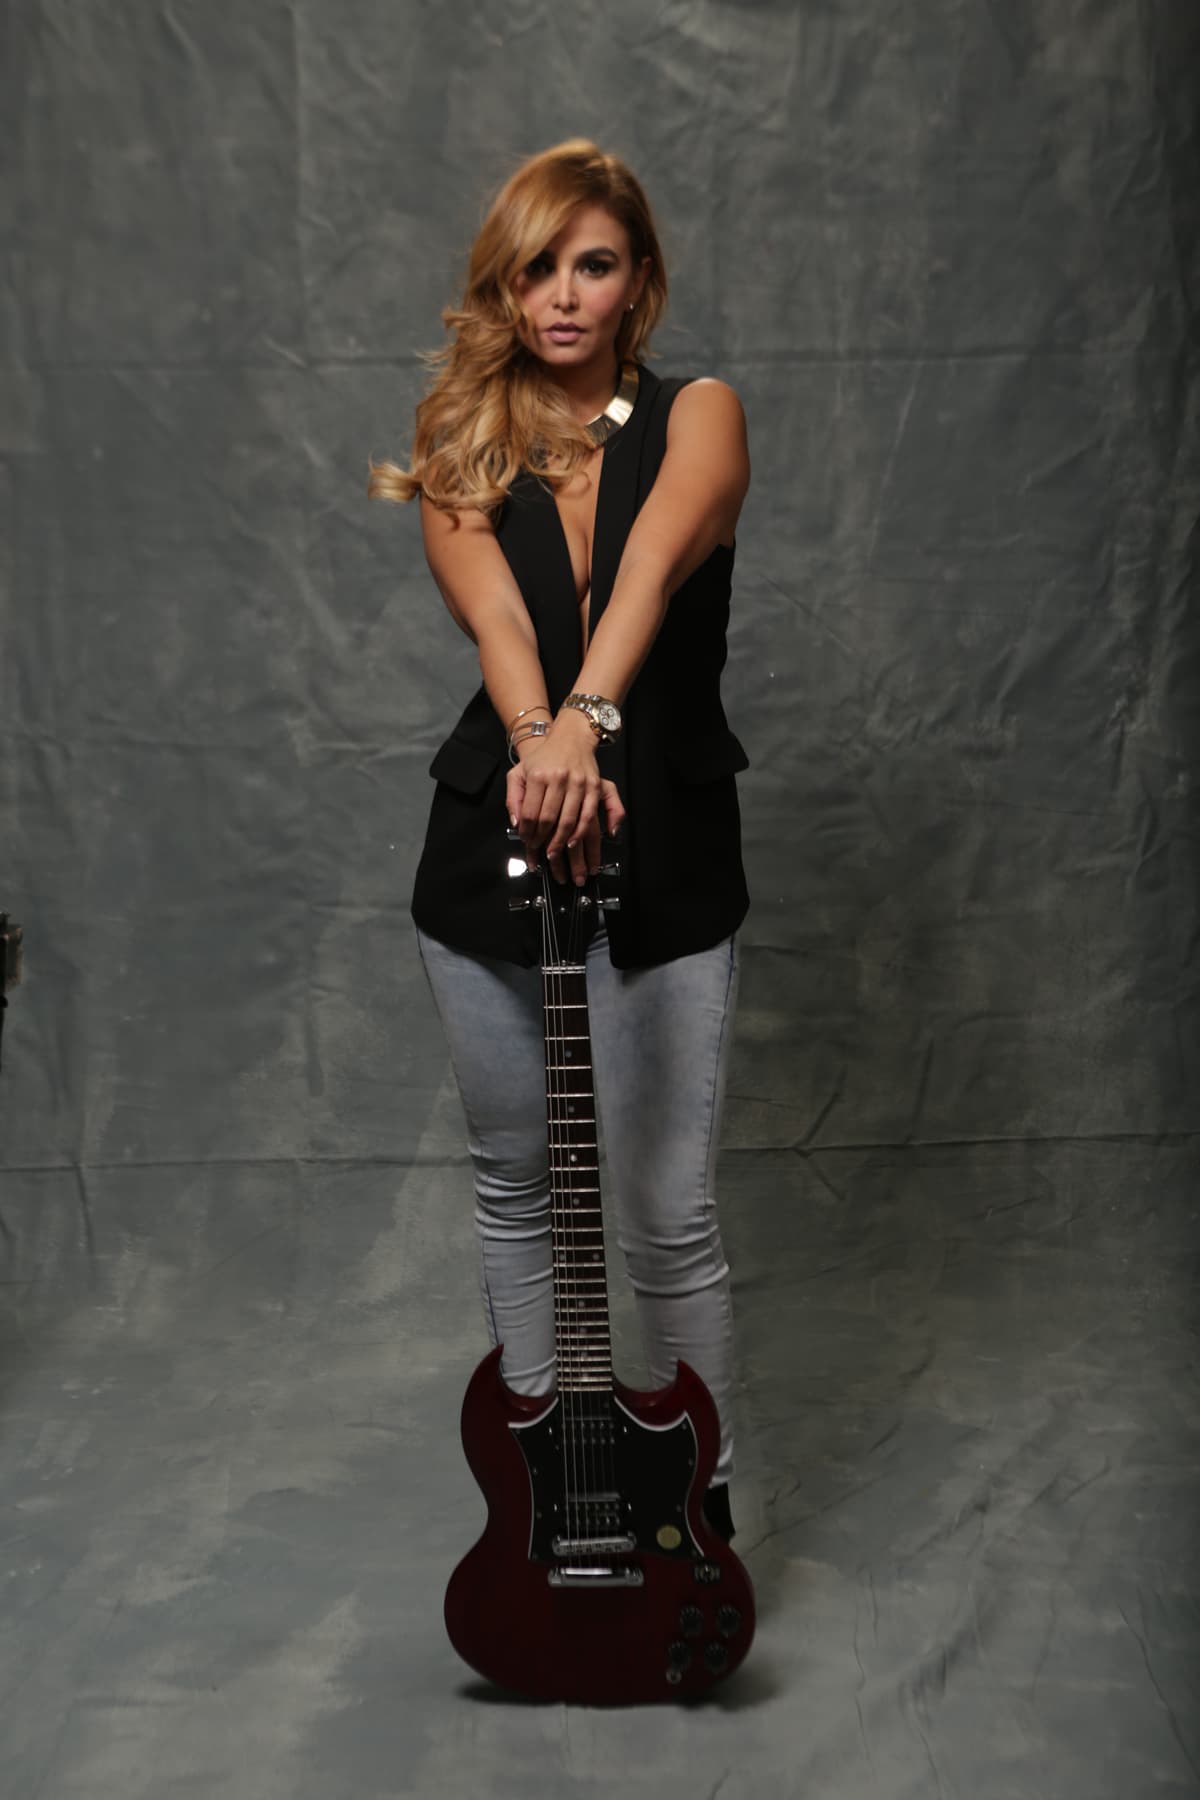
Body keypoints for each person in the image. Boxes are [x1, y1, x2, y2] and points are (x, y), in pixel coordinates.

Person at [369, 139, 751, 1541]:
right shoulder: (459, 426)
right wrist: (548, 739)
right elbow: (498, 621)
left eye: (595, 264)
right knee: (516, 1183)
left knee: (663, 1213)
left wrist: (589, 723)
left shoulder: (700, 413)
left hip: (671, 851)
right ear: (506, 287)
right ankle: (554, 1502)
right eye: (537, 269)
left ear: (639, 278)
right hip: (494, 848)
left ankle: (697, 1523)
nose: (565, 296)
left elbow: (649, 568)